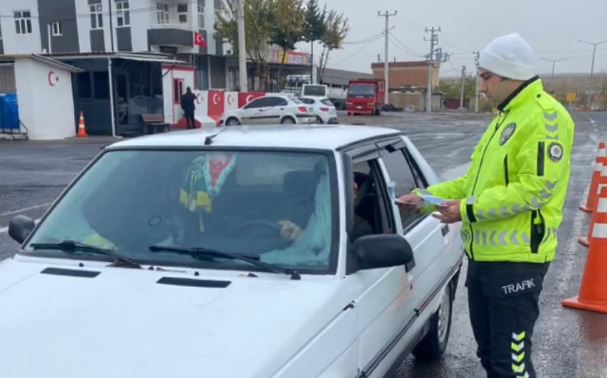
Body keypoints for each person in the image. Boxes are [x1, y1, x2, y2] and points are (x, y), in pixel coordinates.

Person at [397, 33, 575, 378]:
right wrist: (425, 196)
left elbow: (534, 191)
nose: (481, 86)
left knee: (512, 365)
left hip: (517, 263)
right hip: (484, 259)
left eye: (485, 77)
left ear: (509, 75)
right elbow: (473, 184)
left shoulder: (544, 118)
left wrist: (465, 209)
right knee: (491, 356)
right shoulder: (505, 118)